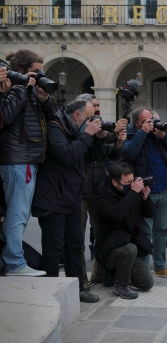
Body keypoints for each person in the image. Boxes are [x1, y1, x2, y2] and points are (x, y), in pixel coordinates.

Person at [32, 99, 101, 303]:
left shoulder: (77, 130)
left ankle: (78, 289)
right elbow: (66, 155)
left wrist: (98, 138)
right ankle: (50, 293)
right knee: (54, 248)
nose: (92, 121)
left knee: (74, 244)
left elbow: (91, 157)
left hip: (71, 197)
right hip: (53, 197)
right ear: (78, 116)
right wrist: (88, 134)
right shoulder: (55, 126)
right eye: (89, 118)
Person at [0, 50, 54, 277]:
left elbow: (50, 119)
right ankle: (14, 263)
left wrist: (44, 99)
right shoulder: (11, 89)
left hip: (27, 159)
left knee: (19, 213)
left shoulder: (29, 91)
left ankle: (14, 259)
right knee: (17, 214)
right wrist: (20, 87)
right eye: (36, 71)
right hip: (17, 159)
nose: (40, 75)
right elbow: (6, 117)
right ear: (20, 71)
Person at [76, 93, 128, 288]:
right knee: (78, 238)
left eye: (98, 106)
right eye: (94, 105)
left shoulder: (101, 126)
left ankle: (99, 274)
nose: (97, 109)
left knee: (103, 234)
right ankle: (81, 280)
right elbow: (87, 153)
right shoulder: (77, 127)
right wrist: (97, 136)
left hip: (99, 187)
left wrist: (119, 140)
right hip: (81, 189)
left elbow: (111, 155)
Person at [122, 107, 167, 279]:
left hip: (163, 190)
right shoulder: (132, 134)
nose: (152, 123)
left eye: (153, 120)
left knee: (161, 230)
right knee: (145, 231)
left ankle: (160, 266)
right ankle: (144, 269)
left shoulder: (157, 136)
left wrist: (163, 135)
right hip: (145, 192)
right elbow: (129, 153)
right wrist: (142, 133)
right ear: (137, 123)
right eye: (148, 121)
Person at [94, 163, 155, 299]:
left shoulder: (129, 193)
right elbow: (117, 214)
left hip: (127, 245)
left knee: (147, 283)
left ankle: (114, 274)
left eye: (132, 181)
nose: (131, 185)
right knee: (130, 249)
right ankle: (121, 285)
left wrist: (145, 198)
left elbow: (150, 214)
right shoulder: (103, 199)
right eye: (127, 182)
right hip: (108, 249)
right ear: (114, 182)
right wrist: (133, 192)